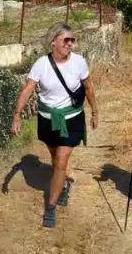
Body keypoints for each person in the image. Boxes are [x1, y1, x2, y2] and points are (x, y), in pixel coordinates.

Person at [11, 23, 95, 228]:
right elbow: (27, 89)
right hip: (48, 118)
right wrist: (17, 114)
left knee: (61, 161)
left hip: (71, 118)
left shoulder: (79, 62)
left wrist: (95, 111)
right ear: (53, 42)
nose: (70, 44)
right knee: (54, 156)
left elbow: (89, 87)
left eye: (72, 40)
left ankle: (50, 206)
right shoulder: (41, 64)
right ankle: (64, 184)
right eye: (66, 40)